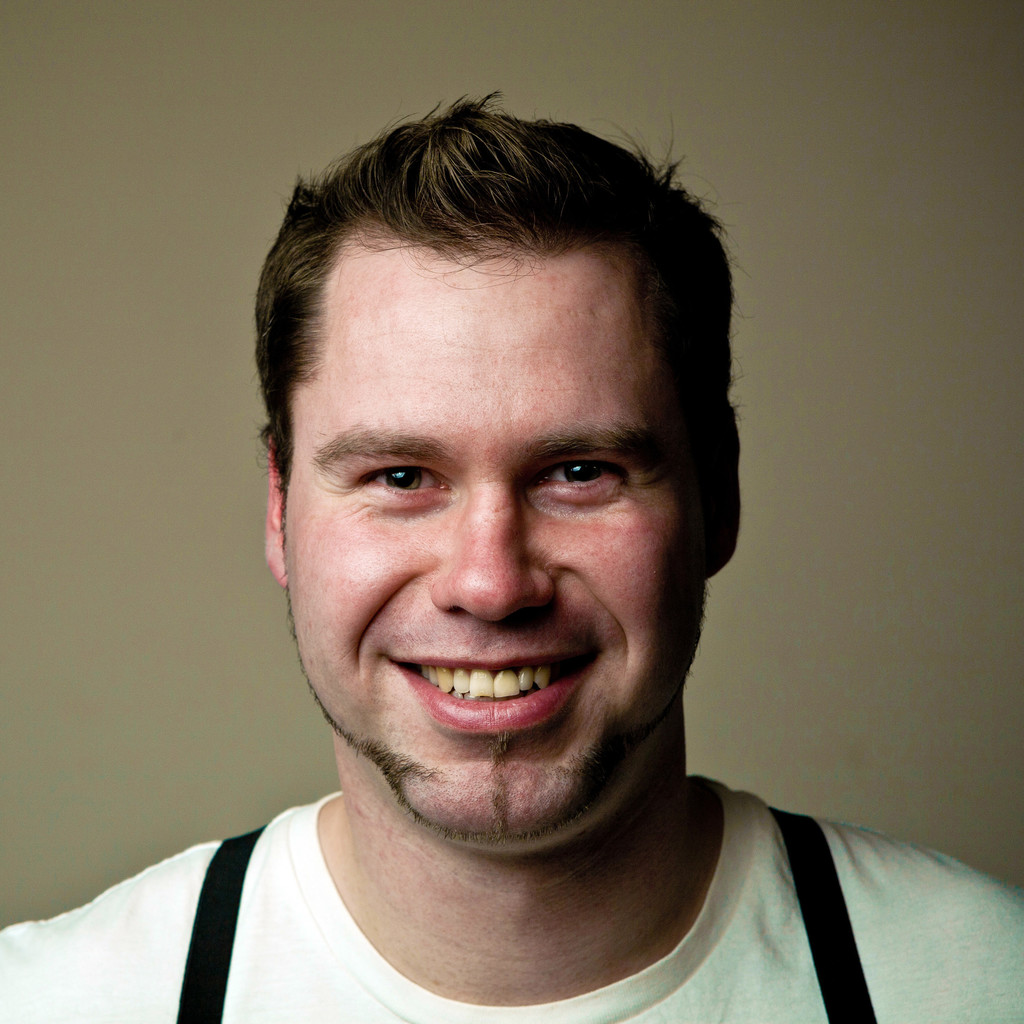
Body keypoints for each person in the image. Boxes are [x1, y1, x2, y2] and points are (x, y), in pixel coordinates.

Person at [2, 97, 1022, 1023]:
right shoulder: (53, 1003)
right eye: (402, 476)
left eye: (579, 471)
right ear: (279, 507)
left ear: (717, 495)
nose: (490, 584)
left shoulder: (984, 982)